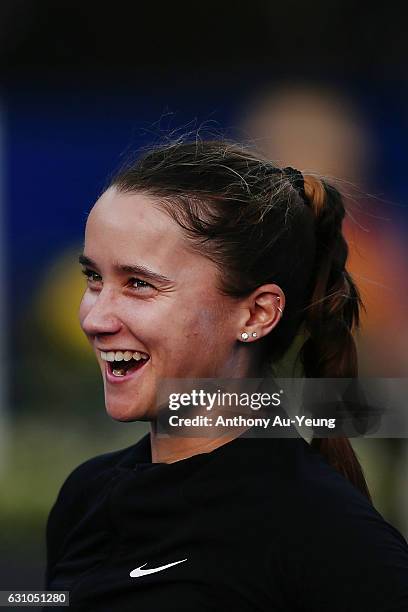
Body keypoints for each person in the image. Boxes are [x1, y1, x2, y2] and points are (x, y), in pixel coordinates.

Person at [43, 139, 408, 611]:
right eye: (94, 279)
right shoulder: (85, 495)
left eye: (139, 284)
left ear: (257, 314)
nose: (95, 318)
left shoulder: (333, 539)